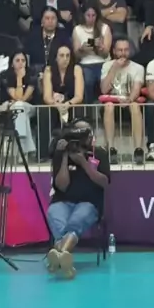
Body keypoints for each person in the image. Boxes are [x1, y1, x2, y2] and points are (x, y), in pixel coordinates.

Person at [47, 118, 110, 279]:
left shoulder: (100, 152)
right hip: (62, 201)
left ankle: (60, 253)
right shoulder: (61, 153)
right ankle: (64, 257)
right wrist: (64, 157)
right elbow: (62, 186)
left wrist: (84, 163)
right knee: (54, 214)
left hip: (89, 203)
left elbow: (104, 182)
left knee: (77, 220)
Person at [100, 36, 145, 163]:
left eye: (126, 50)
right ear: (114, 51)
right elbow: (104, 89)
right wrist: (114, 68)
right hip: (112, 103)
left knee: (135, 106)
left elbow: (136, 89)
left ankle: (138, 150)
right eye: (120, 50)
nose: (123, 53)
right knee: (108, 106)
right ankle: (111, 149)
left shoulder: (138, 68)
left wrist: (129, 100)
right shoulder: (107, 66)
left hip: (130, 102)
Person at [40, 46, 85, 159]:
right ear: (56, 57)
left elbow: (79, 96)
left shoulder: (76, 69)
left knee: (78, 110)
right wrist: (57, 105)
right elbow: (47, 97)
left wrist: (68, 104)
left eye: (67, 56)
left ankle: (77, 152)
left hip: (72, 103)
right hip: (54, 104)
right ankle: (43, 154)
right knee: (44, 112)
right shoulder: (49, 70)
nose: (65, 59)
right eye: (61, 55)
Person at [0, 50, 38, 155]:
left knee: (19, 105)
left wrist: (20, 78)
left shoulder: (32, 74)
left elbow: (21, 98)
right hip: (12, 109)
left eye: (23, 60)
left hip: (30, 108)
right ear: (12, 63)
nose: (21, 63)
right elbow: (18, 97)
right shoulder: (5, 75)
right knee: (20, 110)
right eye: (17, 60)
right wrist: (19, 78)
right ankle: (24, 150)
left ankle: (21, 145)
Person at [73, 3, 112, 104]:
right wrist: (82, 50)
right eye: (88, 15)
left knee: (105, 82)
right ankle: (89, 107)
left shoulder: (105, 28)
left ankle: (105, 107)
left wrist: (101, 48)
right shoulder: (77, 29)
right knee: (88, 81)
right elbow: (76, 55)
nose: (91, 18)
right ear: (83, 15)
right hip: (85, 64)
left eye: (93, 15)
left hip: (103, 63)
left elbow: (106, 54)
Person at [25, 7, 72, 75]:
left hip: (57, 72)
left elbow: (68, 57)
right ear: (42, 21)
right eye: (47, 18)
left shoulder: (63, 35)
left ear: (57, 21)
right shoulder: (33, 34)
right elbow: (26, 55)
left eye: (53, 18)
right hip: (35, 72)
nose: (50, 21)